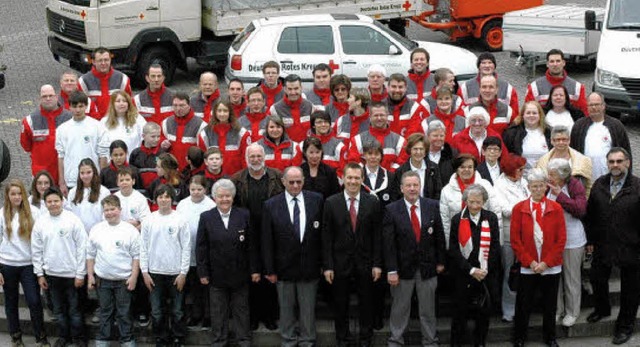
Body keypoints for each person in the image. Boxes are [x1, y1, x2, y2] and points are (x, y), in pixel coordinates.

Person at [262, 166, 324, 347]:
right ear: (283, 182)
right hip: (283, 269)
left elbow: (323, 236)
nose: (295, 186)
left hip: (309, 267)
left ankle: (307, 341)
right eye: (291, 182)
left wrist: (323, 263)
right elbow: (267, 240)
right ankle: (288, 341)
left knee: (308, 311)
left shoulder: (317, 200)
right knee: (286, 310)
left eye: (299, 182)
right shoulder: (271, 205)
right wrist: (270, 269)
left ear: (304, 181)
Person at [322, 163, 382, 347]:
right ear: (343, 178)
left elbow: (377, 236)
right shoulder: (331, 202)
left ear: (362, 179)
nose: (353, 181)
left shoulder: (372, 202)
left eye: (357, 178)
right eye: (350, 177)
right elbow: (326, 237)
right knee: (340, 304)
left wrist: (377, 264)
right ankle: (343, 338)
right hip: (340, 264)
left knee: (367, 303)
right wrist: (328, 266)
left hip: (366, 263)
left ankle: (366, 338)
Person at [585, 148, 640, 345]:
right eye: (611, 162)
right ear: (607, 163)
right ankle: (602, 309)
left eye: (619, 161)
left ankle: (625, 326)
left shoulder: (638, 186)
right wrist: (590, 240)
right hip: (603, 244)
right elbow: (590, 214)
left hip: (630, 247)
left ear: (627, 162)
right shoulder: (600, 184)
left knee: (631, 290)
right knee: (597, 279)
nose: (615, 165)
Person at [384, 171, 445, 347]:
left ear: (420, 187)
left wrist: (440, 261)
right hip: (402, 269)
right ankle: (396, 341)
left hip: (428, 268)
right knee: (400, 309)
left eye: (415, 185)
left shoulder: (432, 205)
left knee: (428, 309)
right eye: (408, 185)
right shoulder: (391, 209)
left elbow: (439, 236)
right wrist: (392, 270)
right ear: (401, 188)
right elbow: (388, 244)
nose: (412, 188)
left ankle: (430, 341)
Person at [197, 179, 259, 347]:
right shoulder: (206, 217)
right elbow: (201, 247)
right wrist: (203, 272)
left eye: (227, 196)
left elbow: (252, 246)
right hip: (216, 275)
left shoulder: (244, 215)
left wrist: (255, 270)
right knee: (218, 312)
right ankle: (218, 341)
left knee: (241, 311)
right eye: (220, 196)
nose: (224, 199)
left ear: (233, 197)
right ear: (214, 198)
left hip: (240, 274)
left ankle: (244, 341)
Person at [510, 168, 567, 347]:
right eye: (534, 186)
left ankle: (550, 337)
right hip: (529, 265)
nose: (538, 189)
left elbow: (561, 239)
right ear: (528, 187)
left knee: (550, 305)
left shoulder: (556, 208)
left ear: (546, 187)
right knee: (523, 304)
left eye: (541, 186)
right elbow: (515, 240)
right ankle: (519, 337)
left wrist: (546, 262)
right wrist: (531, 262)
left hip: (550, 266)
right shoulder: (519, 209)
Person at [231, 143, 284, 331]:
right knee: (251, 278)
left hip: (272, 233)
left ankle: (270, 316)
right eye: (252, 156)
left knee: (270, 275)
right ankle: (253, 317)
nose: (256, 160)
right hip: (247, 234)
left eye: (259, 156)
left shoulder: (277, 176)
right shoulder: (237, 179)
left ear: (265, 157)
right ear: (247, 158)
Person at [31, 186, 87, 347]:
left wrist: (80, 274)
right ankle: (64, 337)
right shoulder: (41, 223)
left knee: (75, 311)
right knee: (59, 311)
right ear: (45, 203)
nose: (53, 204)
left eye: (56, 201)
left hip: (72, 275)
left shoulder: (73, 220)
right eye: (49, 201)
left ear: (62, 201)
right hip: (51, 275)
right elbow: (36, 249)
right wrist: (40, 274)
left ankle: (79, 339)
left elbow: (82, 247)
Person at [448, 184, 501, 347]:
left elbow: (494, 247)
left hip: (485, 273)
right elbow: (454, 249)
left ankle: (480, 342)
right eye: (471, 202)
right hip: (464, 273)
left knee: (483, 313)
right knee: (460, 312)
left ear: (484, 201)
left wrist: (484, 270)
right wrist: (470, 270)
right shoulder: (458, 219)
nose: (475, 206)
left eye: (478, 202)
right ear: (465, 201)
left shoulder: (490, 218)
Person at [0, 179, 50, 347]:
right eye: (13, 194)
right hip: (7, 265)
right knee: (11, 301)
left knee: (34, 300)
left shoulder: (34, 212)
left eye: (19, 193)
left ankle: (41, 337)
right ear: (7, 195)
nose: (16, 197)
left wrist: (41, 264)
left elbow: (41, 238)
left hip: (28, 264)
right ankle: (16, 337)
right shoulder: (1, 214)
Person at [140, 184, 190, 346]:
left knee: (177, 310)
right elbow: (143, 247)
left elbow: (186, 247)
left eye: (167, 196)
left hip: (176, 273)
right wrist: (144, 272)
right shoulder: (149, 220)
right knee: (156, 311)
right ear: (156, 199)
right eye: (160, 197)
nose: (164, 200)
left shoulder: (180, 219)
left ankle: (178, 338)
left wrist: (183, 273)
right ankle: (161, 338)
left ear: (172, 199)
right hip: (154, 273)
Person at [87, 195, 140, 347]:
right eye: (106, 210)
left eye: (113, 209)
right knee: (105, 312)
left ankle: (127, 340)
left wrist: (134, 277)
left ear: (120, 210)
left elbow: (137, 256)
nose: (109, 213)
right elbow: (90, 254)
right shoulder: (97, 229)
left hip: (124, 280)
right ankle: (103, 340)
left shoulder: (130, 230)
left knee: (124, 313)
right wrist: (90, 275)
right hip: (102, 280)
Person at [546, 158, 587, 328]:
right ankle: (557, 310)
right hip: (551, 241)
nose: (549, 177)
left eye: (552, 174)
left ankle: (572, 312)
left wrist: (559, 195)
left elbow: (580, 210)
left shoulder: (575, 185)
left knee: (571, 278)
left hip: (572, 239)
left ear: (562, 175)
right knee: (554, 277)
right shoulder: (547, 185)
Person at [493, 153, 529, 323]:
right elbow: (504, 209)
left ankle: (523, 307)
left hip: (527, 234)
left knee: (524, 273)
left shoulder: (523, 182)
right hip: (508, 236)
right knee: (509, 273)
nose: (523, 172)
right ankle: (508, 310)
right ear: (511, 170)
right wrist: (524, 207)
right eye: (520, 169)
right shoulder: (499, 185)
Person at [177, 175, 216, 331]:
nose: (196, 192)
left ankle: (208, 315)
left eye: (199, 189)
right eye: (193, 189)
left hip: (205, 253)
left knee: (206, 286)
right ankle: (195, 314)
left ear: (205, 190)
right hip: (188, 251)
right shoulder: (182, 204)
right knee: (193, 287)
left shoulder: (211, 205)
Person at [439, 154, 500, 248]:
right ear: (456, 169)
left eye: (470, 167)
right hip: (458, 239)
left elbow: (495, 211)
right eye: (462, 167)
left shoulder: (486, 185)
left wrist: (498, 242)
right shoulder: (446, 190)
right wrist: (448, 245)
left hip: (483, 237)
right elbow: (445, 221)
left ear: (474, 168)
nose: (466, 170)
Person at [56, 90, 110, 195]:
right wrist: (62, 182)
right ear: (69, 107)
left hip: (93, 179)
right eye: (74, 106)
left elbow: (103, 155)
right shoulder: (62, 129)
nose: (78, 110)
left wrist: (101, 179)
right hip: (71, 180)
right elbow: (61, 156)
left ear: (86, 106)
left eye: (81, 106)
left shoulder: (97, 126)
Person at [570, 92, 631, 181]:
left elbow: (626, 152)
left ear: (603, 106)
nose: (594, 107)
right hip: (585, 178)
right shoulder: (579, 126)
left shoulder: (616, 126)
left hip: (610, 178)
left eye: (597, 104)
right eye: (591, 105)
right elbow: (572, 152)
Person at [21, 84, 72, 183]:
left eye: (50, 95)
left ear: (56, 97)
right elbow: (26, 146)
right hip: (41, 177)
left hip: (66, 173)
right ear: (40, 99)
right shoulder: (30, 121)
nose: (48, 98)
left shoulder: (70, 118)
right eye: (44, 96)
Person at [347, 102, 408, 172]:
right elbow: (354, 162)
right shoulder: (357, 140)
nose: (379, 118)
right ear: (369, 116)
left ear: (387, 115)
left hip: (392, 180)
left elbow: (402, 163)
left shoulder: (400, 141)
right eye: (376, 115)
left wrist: (388, 176)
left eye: (382, 115)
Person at [524, 49, 588, 115]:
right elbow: (527, 113)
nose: (555, 64)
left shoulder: (577, 88)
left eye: (558, 61)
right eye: (552, 61)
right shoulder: (534, 87)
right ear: (547, 64)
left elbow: (584, 113)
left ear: (563, 63)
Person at [197, 98, 250, 175]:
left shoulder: (241, 133)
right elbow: (203, 160)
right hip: (212, 179)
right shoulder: (205, 134)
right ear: (215, 112)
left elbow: (245, 158)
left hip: (236, 177)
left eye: (225, 111)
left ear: (230, 112)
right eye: (219, 111)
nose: (222, 114)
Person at [537, 125, 593, 196]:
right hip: (549, 203)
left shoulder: (583, 160)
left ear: (569, 140)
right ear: (552, 141)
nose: (561, 142)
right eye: (557, 140)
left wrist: (584, 203)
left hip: (574, 202)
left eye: (564, 139)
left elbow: (588, 187)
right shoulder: (541, 161)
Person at [78, 47, 132, 119]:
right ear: (93, 62)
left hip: (117, 123)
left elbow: (129, 103)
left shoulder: (123, 79)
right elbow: (82, 107)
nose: (103, 63)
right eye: (100, 60)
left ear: (110, 60)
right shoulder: (83, 81)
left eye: (106, 60)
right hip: (94, 124)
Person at [161, 92, 207, 170]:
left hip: (192, 172)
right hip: (172, 171)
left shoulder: (201, 125)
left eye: (182, 105)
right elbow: (160, 142)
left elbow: (204, 153)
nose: (178, 108)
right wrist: (162, 144)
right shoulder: (165, 123)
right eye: (175, 105)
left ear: (189, 106)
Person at [391, 133, 442, 200]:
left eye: (421, 149)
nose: (418, 152)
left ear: (425, 151)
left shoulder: (433, 168)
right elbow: (396, 195)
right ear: (410, 150)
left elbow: (438, 192)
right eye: (415, 149)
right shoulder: (400, 171)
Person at [503, 101, 552, 171]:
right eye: (528, 113)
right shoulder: (512, 133)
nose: (531, 115)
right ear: (523, 115)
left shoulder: (548, 132)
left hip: (545, 175)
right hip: (521, 176)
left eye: (534, 113)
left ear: (540, 115)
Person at [68, 159, 111, 233]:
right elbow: (70, 215)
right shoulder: (72, 192)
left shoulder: (104, 192)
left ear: (94, 172)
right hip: (78, 233)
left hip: (99, 233)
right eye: (82, 173)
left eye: (88, 172)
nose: (85, 176)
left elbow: (106, 215)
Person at [270, 74, 314, 142]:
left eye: (296, 89)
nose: (293, 92)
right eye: (290, 89)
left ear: (301, 88)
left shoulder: (310, 107)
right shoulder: (275, 109)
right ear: (284, 89)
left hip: (306, 149)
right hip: (286, 150)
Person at [103, 90, 147, 157]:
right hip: (113, 162)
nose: (121, 104)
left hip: (134, 162)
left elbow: (145, 138)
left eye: (124, 101)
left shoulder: (138, 119)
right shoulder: (105, 122)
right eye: (118, 101)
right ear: (113, 104)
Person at [129, 122, 167, 190]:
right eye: (153, 136)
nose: (156, 139)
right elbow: (131, 174)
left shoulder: (163, 154)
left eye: (158, 136)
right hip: (139, 190)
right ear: (143, 136)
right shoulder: (135, 153)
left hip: (157, 191)